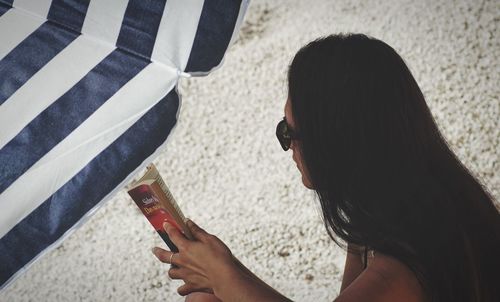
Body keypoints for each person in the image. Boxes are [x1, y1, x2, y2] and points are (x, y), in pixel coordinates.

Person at [152, 33, 500, 302]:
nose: (287, 146)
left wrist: (225, 276)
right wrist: (222, 273)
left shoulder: (409, 256)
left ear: (336, 140)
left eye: (289, 131)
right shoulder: (402, 209)